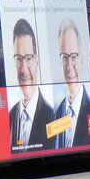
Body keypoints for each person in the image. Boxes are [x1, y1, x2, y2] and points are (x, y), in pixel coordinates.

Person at [8, 18, 55, 152]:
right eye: (19, 59)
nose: (24, 70)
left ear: (37, 61)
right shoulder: (11, 115)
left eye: (28, 59)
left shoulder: (51, 114)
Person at [53, 19, 90, 149]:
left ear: (82, 59)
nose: (69, 67)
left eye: (74, 56)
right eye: (64, 57)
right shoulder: (56, 113)